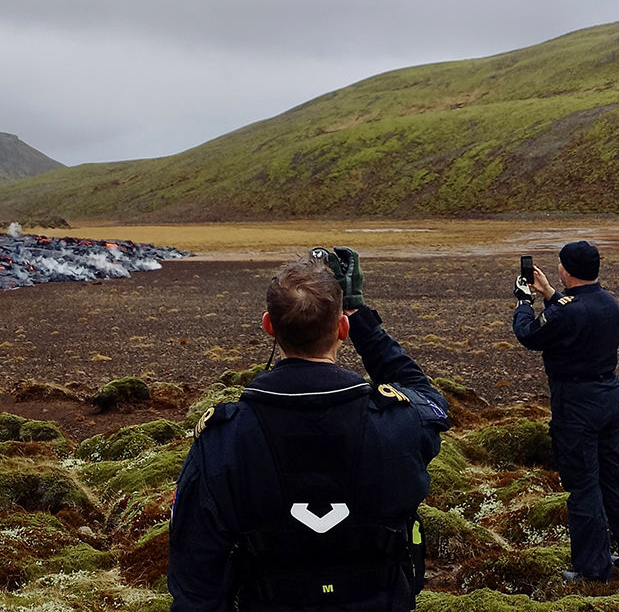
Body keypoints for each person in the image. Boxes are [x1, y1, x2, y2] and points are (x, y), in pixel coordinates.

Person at [168, 248, 449, 611]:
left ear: (269, 325)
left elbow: (196, 583)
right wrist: (361, 318)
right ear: (342, 330)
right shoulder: (398, 424)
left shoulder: (224, 439)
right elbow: (432, 401)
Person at [513, 240, 619, 583]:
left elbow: (529, 334)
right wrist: (549, 292)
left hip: (576, 403)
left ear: (567, 270)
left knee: (582, 486)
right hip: (608, 396)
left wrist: (523, 301)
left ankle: (593, 571)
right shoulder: (608, 302)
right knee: (612, 478)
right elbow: (572, 317)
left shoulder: (567, 310)